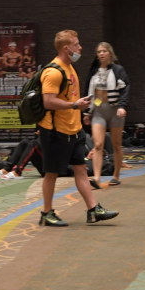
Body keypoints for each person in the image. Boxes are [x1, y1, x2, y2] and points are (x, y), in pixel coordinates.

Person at [37, 29, 118, 226]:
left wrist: (80, 108)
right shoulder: (53, 72)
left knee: (81, 169)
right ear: (67, 48)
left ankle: (93, 210)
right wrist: (74, 105)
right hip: (55, 132)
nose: (80, 48)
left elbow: (69, 97)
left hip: (74, 130)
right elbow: (48, 102)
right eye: (76, 44)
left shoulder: (70, 68)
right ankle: (46, 213)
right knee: (51, 173)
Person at [83, 41, 130, 188]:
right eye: (99, 52)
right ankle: (97, 178)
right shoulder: (94, 71)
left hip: (115, 110)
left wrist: (122, 106)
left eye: (104, 51)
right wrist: (87, 112)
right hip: (99, 110)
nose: (101, 54)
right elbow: (89, 92)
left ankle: (116, 175)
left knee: (116, 144)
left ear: (110, 53)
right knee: (98, 144)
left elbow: (125, 88)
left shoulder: (118, 70)